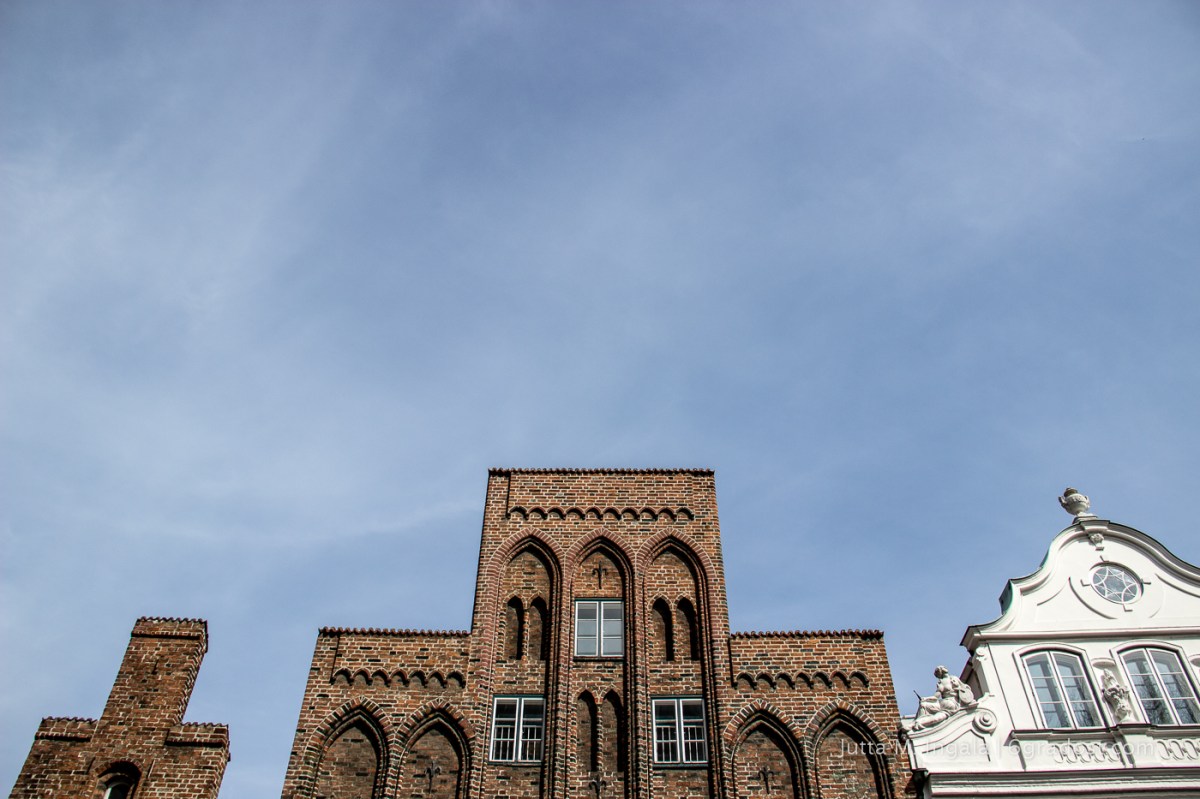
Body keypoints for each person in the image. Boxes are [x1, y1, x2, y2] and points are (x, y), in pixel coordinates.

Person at [912, 666, 975, 730]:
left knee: (934, 715)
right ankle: (917, 724)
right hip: (945, 703)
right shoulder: (941, 683)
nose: (943, 668)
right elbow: (936, 697)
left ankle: (920, 723)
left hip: (952, 704)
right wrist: (925, 699)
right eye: (941, 668)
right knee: (923, 705)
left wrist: (960, 690)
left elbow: (965, 688)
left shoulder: (954, 678)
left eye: (943, 667)